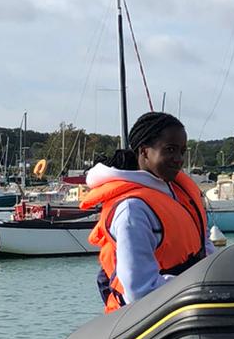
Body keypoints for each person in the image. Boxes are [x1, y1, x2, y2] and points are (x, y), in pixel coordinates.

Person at [81, 111, 212, 312]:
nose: (178, 159)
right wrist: (200, 286)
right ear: (144, 152)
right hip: (145, 317)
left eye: (182, 151)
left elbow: (205, 245)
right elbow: (140, 290)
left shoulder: (178, 191)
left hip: (189, 303)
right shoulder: (132, 209)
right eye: (170, 150)